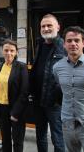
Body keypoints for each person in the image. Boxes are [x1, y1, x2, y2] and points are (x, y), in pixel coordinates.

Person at [30, 14, 66, 152]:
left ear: (58, 27)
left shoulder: (64, 46)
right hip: (38, 100)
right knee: (40, 136)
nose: (46, 28)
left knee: (58, 139)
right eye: (43, 26)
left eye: (49, 25)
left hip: (55, 103)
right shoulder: (40, 44)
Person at [0, 39, 29, 152]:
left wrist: (15, 113)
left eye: (12, 51)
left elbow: (24, 91)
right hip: (2, 109)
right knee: (5, 140)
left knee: (17, 141)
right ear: (2, 51)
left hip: (16, 109)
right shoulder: (0, 66)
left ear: (16, 52)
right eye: (6, 50)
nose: (9, 53)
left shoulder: (21, 67)